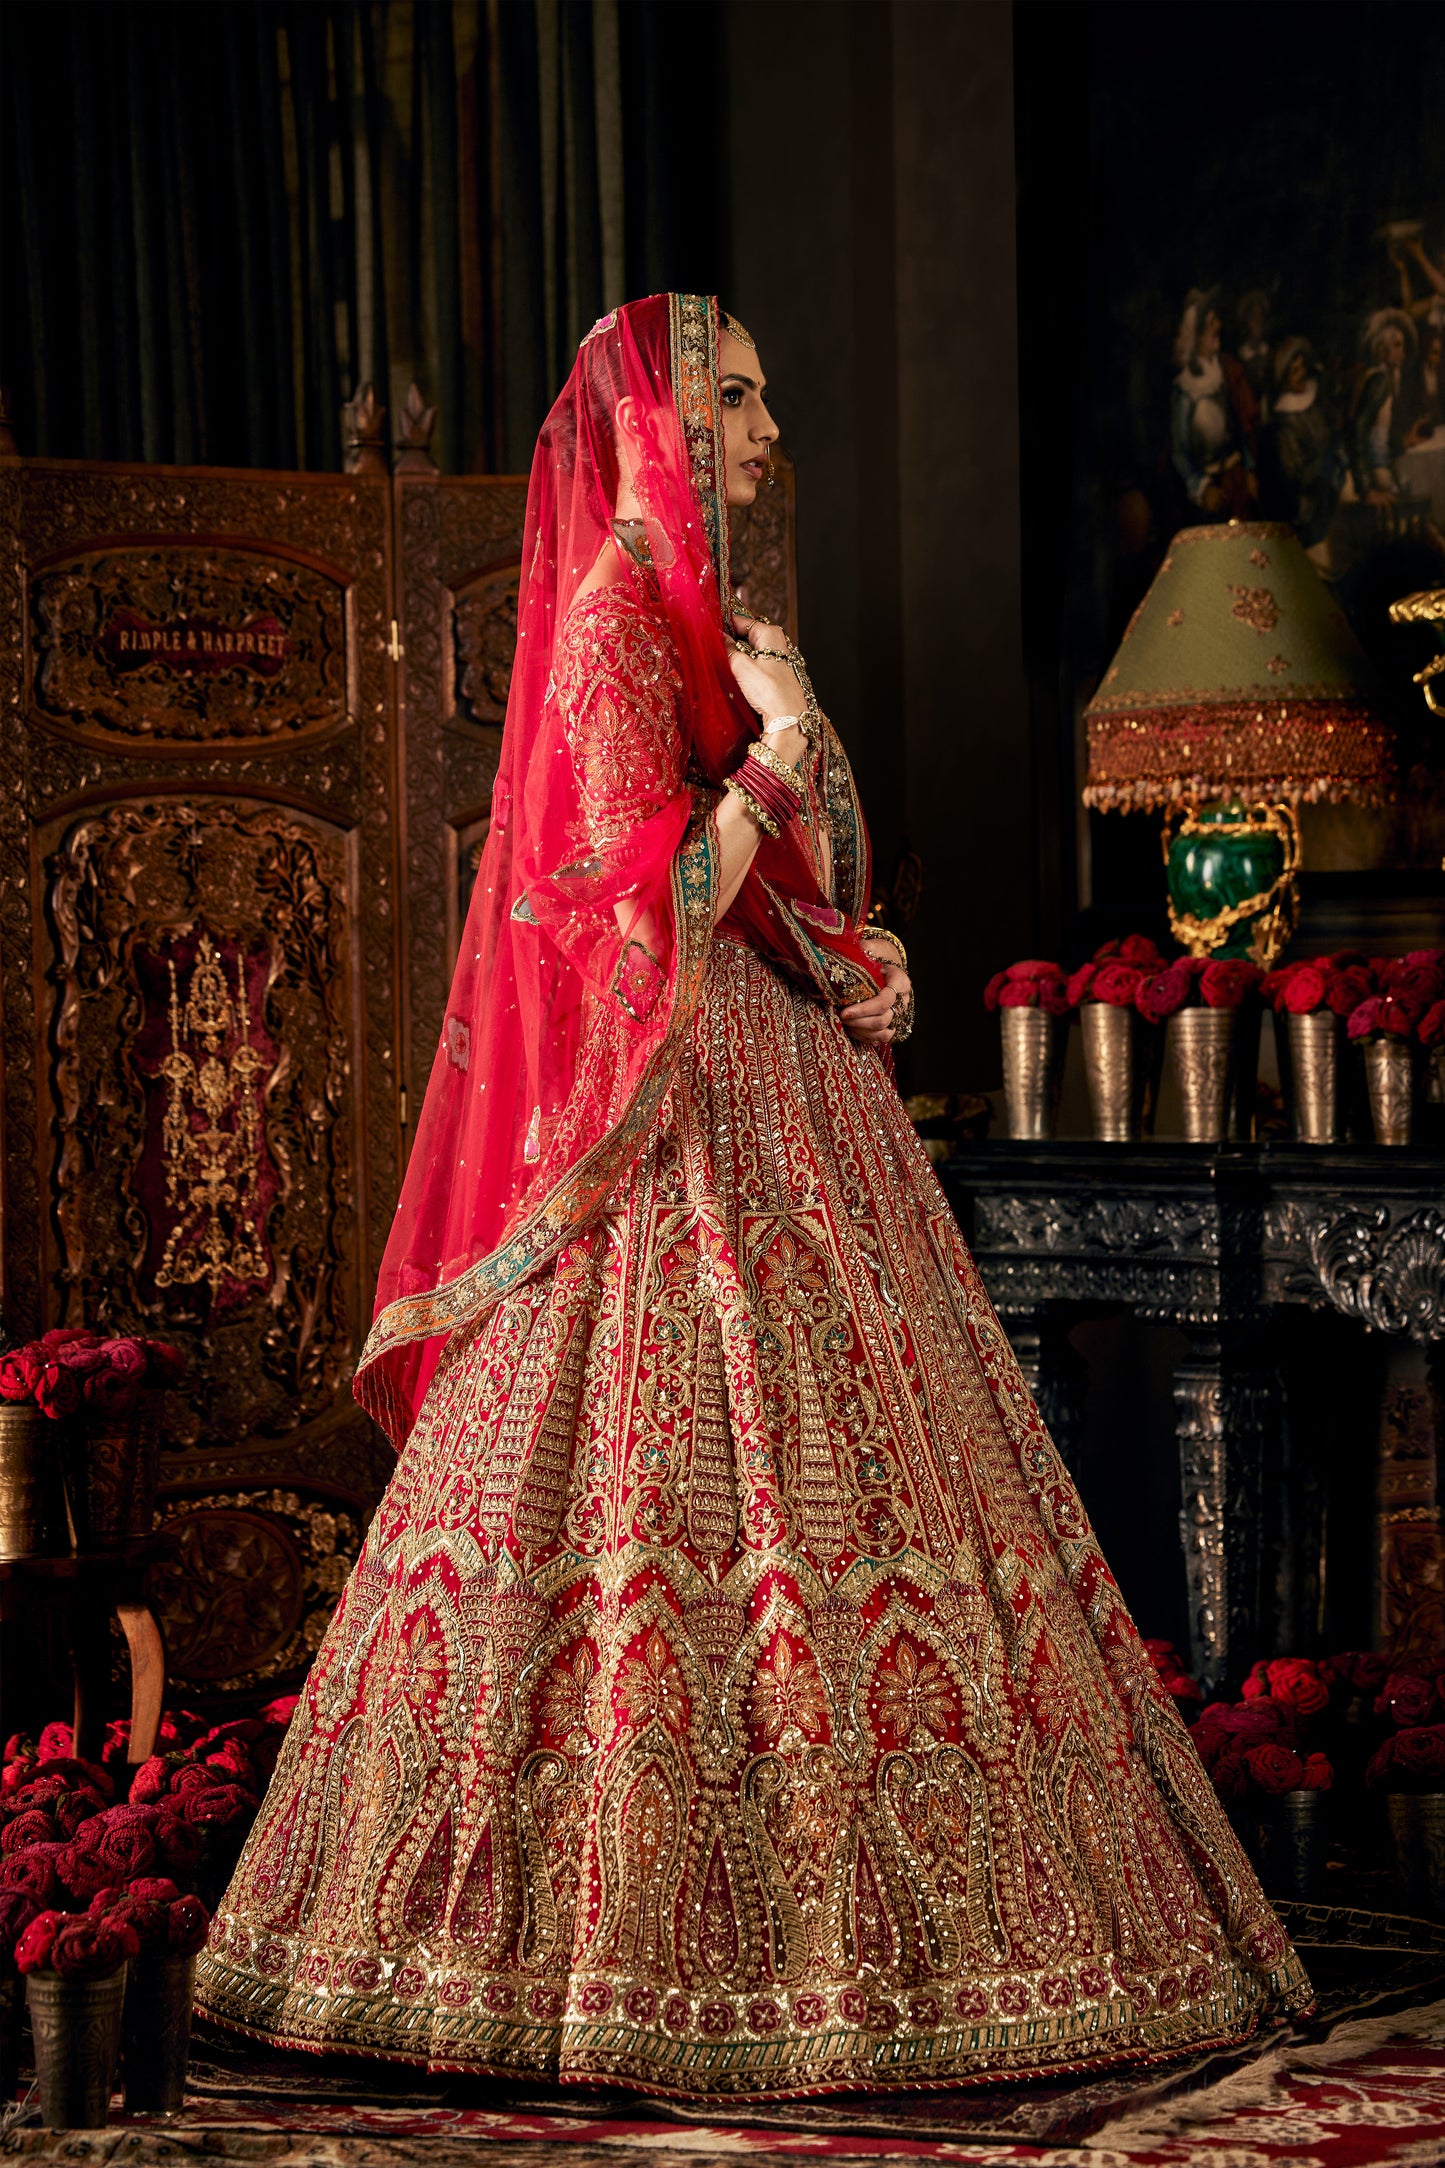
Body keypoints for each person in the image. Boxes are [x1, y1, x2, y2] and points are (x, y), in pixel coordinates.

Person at [195, 294, 1310, 2099]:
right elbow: (641, 903)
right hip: (674, 1128)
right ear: (657, 422)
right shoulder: (608, 622)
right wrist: (783, 745)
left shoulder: (715, 628)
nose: (772, 432)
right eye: (740, 399)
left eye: (769, 403)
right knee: (653, 1504)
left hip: (789, 1093)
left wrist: (864, 955)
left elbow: (789, 891)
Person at [1169, 287, 1258, 519]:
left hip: (1237, 479)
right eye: (1210, 323)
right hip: (1211, 493)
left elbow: (1240, 426)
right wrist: (1203, 487)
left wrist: (1248, 469)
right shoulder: (1184, 389)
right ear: (1196, 335)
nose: (1217, 326)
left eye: (1216, 320)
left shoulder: (1227, 371)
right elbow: (1180, 451)